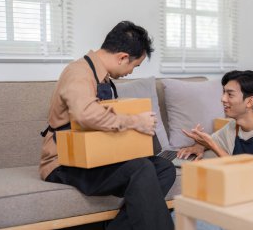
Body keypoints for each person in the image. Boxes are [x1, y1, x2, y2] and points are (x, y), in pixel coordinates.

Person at [39, 21, 176, 230]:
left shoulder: (102, 76)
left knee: (164, 168)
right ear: (122, 57)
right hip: (64, 163)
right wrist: (135, 121)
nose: (131, 72)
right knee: (140, 169)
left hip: (94, 157)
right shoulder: (79, 73)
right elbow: (85, 115)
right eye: (134, 66)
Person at [177, 70, 253, 176]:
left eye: (230, 94)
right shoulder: (233, 127)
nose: (223, 99)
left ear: (250, 102)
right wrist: (199, 146)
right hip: (249, 190)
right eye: (224, 93)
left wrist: (214, 145)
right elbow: (211, 141)